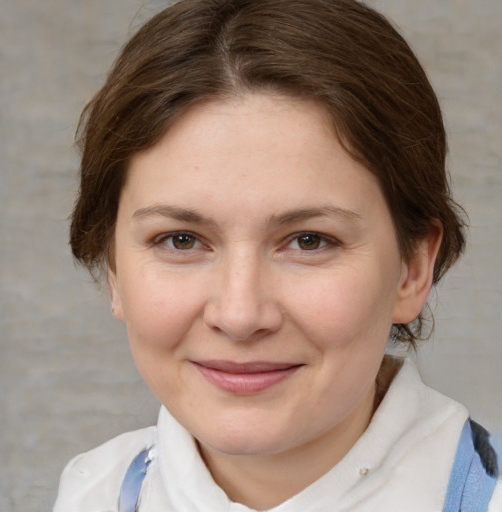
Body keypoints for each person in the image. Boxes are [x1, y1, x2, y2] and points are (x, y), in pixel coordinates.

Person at [54, 0, 501, 510]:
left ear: (412, 270)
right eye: (181, 239)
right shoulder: (92, 491)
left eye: (309, 240)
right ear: (113, 268)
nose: (240, 315)